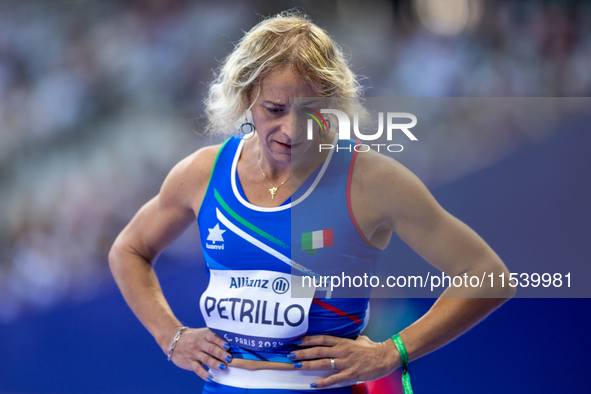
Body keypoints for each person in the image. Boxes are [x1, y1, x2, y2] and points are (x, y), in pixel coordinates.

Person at [108, 10, 514, 393]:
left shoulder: (370, 180)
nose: (292, 130)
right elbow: (128, 249)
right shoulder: (202, 172)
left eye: (310, 110)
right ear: (246, 96)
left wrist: (394, 352)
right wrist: (170, 335)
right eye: (274, 109)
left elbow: (489, 274)